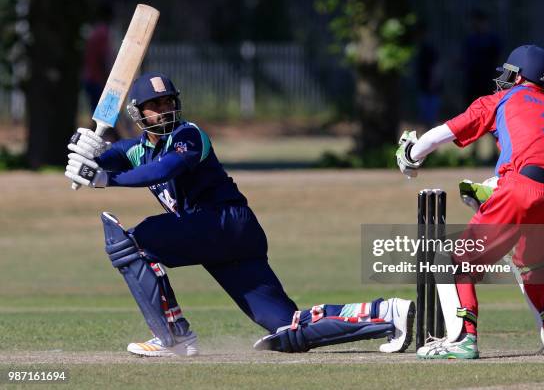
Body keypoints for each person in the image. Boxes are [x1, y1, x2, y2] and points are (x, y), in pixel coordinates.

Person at [65, 72, 414, 357]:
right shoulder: (136, 149)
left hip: (224, 222)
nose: (165, 108)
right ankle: (387, 313)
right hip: (222, 236)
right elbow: (106, 159)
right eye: (155, 105)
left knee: (135, 242)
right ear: (139, 113)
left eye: (169, 101)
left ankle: (173, 336)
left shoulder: (189, 135)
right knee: (287, 328)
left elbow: (162, 171)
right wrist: (87, 150)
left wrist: (104, 178)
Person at [396, 45, 544, 359]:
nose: (505, 80)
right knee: (530, 258)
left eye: (510, 74)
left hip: (521, 189)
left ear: (520, 76)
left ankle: (464, 340)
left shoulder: (503, 99)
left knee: (455, 260)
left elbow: (443, 134)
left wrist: (410, 154)